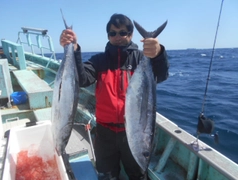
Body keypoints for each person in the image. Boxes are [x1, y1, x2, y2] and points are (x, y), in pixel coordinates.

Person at [60, 13, 169, 180]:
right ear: (108, 36)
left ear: (131, 34)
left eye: (122, 32)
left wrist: (158, 54)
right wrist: (74, 50)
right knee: (106, 175)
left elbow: (160, 75)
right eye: (113, 33)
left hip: (133, 132)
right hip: (105, 134)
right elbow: (82, 79)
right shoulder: (99, 60)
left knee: (138, 175)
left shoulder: (141, 58)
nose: (117, 37)